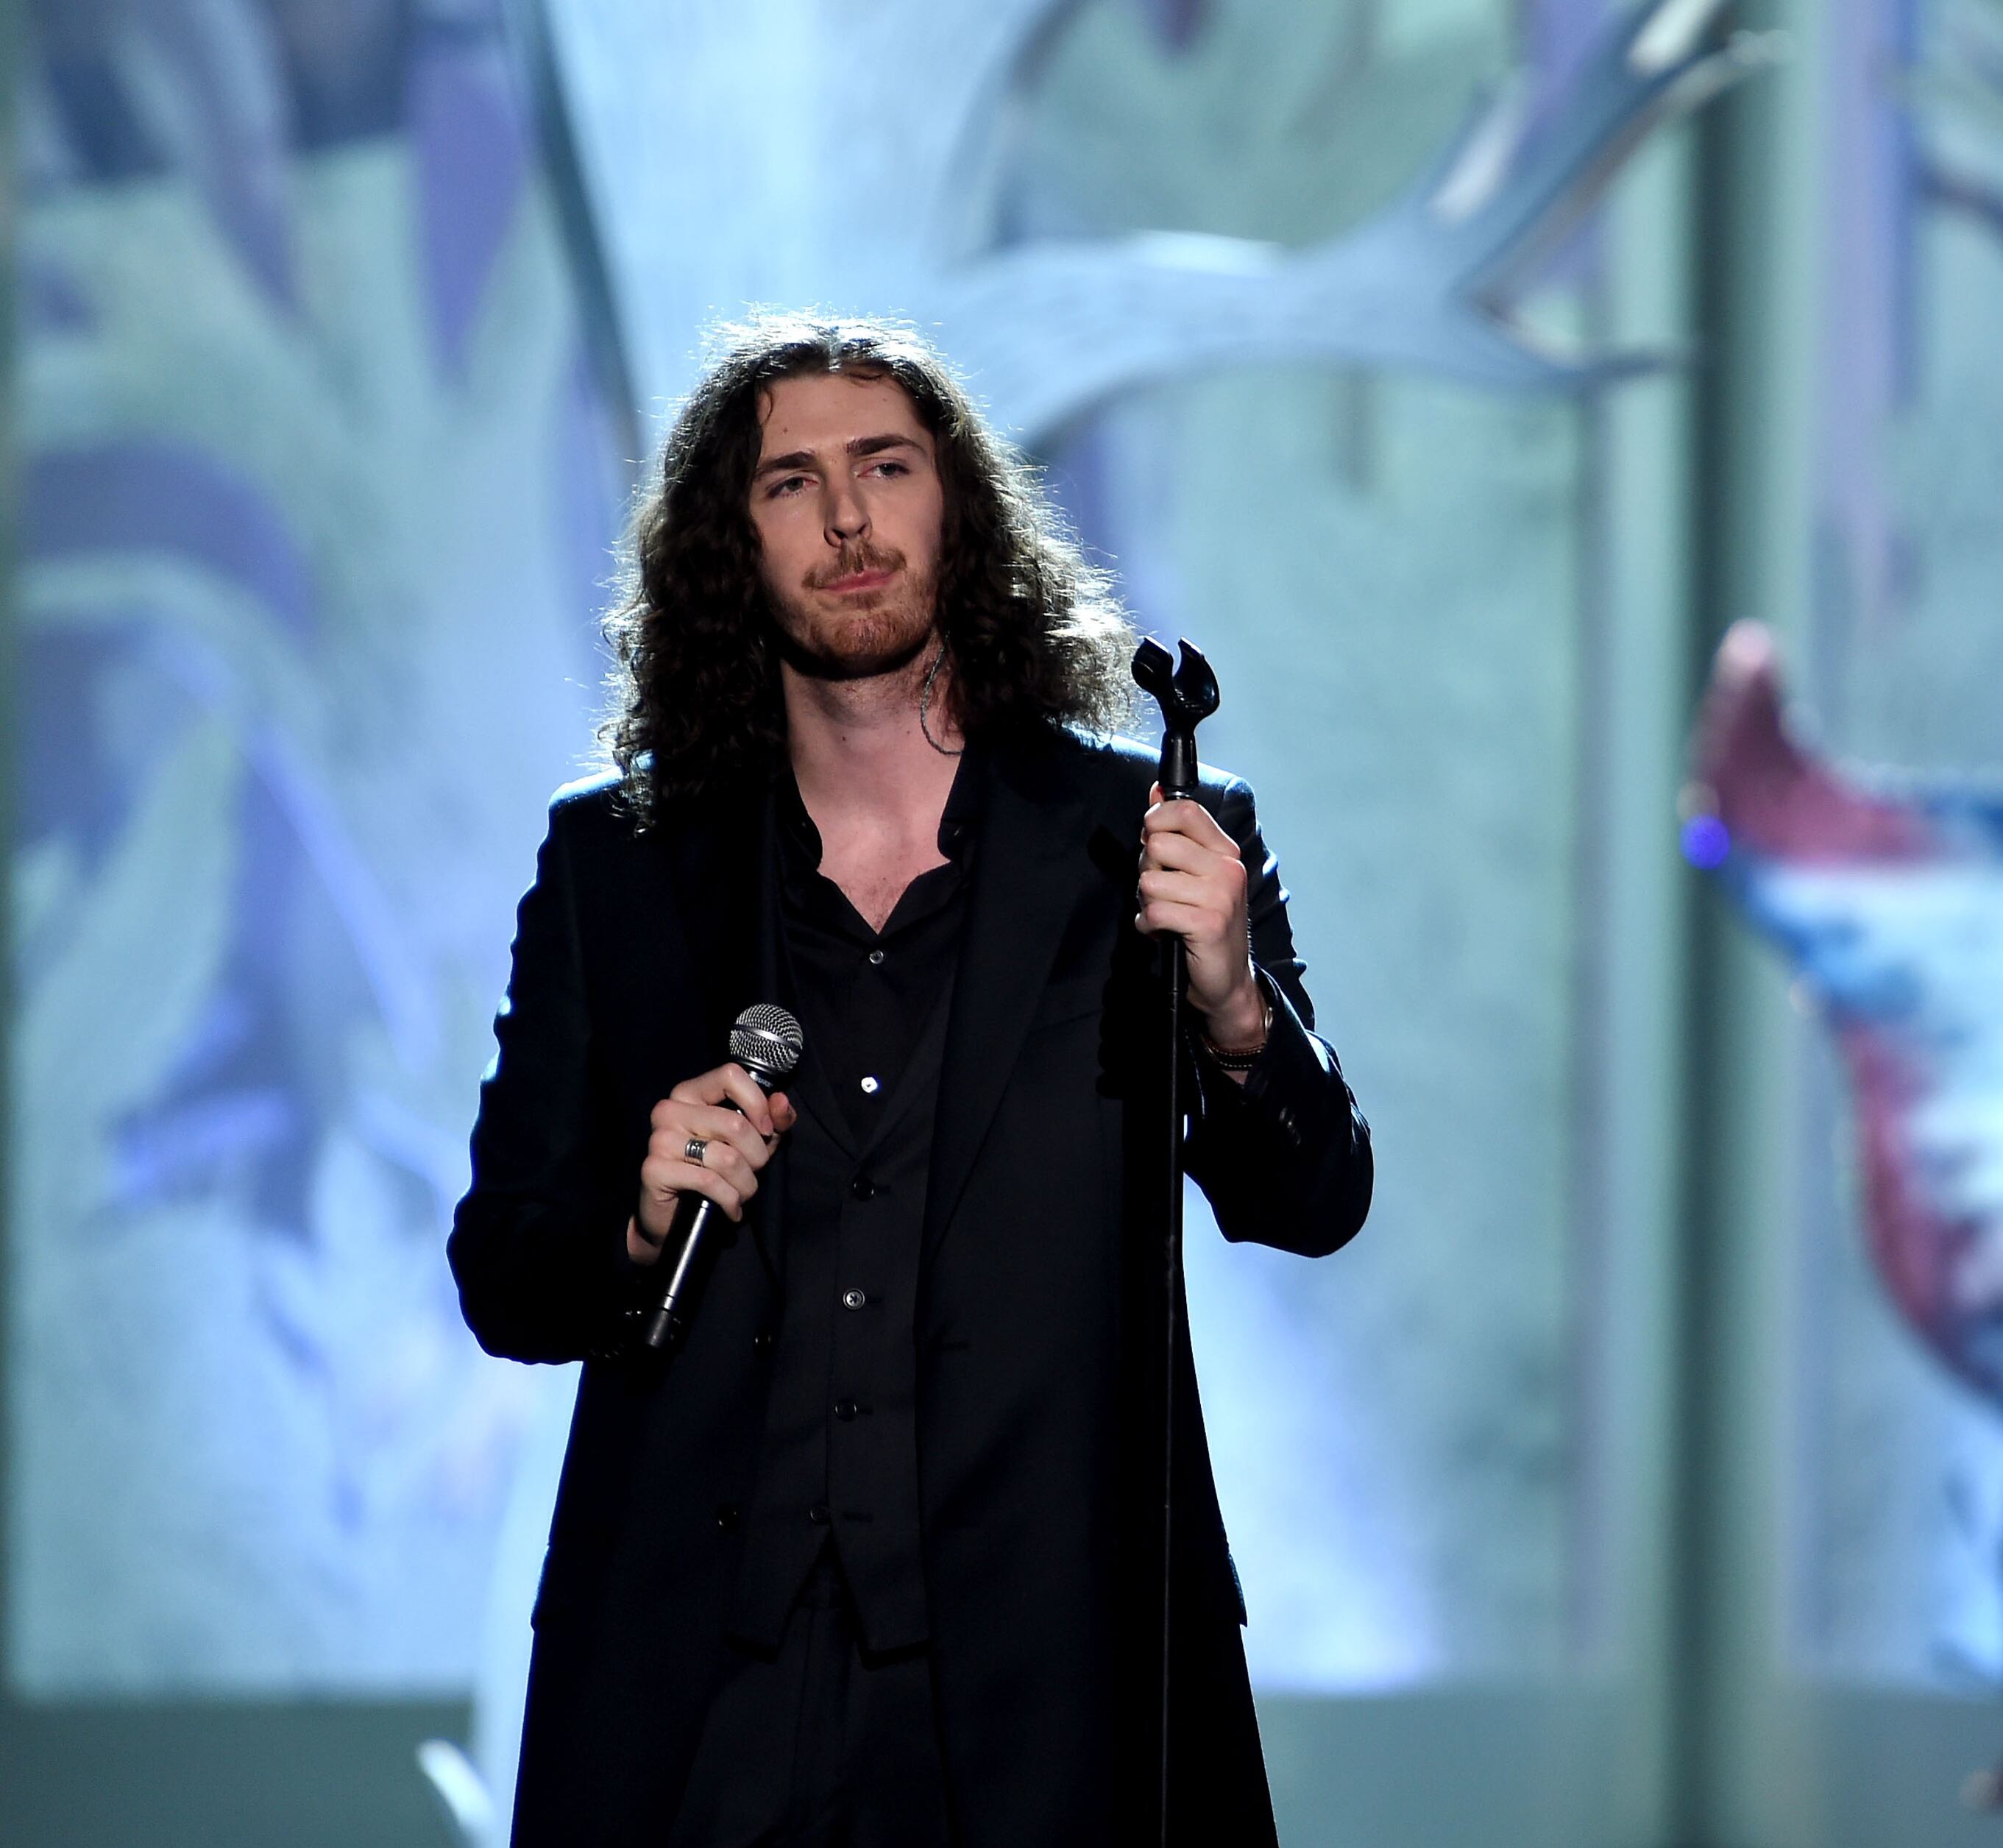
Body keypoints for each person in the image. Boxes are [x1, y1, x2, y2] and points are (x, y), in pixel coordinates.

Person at [449, 314, 1373, 1846]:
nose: (851, 518)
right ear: (728, 546)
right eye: (791, 484)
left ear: (962, 509)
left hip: (1055, 1689)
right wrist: (628, 1222)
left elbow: (1316, 1198)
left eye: (887, 466)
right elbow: (504, 1270)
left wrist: (1233, 1005)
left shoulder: (1143, 838)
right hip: (699, 1694)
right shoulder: (618, 865)